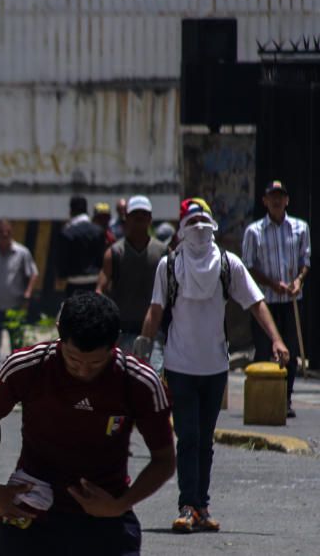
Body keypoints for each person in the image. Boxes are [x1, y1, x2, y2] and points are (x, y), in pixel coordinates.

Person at [0, 292, 176, 555]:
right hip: (33, 513)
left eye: (95, 364)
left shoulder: (139, 382)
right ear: (59, 332)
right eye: (73, 360)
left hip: (106, 515)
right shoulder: (27, 366)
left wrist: (119, 505)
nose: (83, 371)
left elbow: (164, 459)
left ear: (115, 342)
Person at [138, 197, 290, 533]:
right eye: (192, 225)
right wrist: (143, 350)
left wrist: (277, 339)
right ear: (181, 230)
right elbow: (156, 310)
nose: (199, 230)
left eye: (204, 224)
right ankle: (186, 506)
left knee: (204, 439)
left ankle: (201, 506)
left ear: (213, 229)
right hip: (179, 365)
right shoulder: (170, 265)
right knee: (188, 436)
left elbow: (256, 303)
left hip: (214, 367)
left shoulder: (227, 264)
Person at [242, 180, 311, 418]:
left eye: (280, 196)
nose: (277, 200)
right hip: (266, 301)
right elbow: (248, 266)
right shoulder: (254, 232)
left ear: (287, 200)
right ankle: (262, 400)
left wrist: (298, 281)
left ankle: (286, 399)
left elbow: (306, 261)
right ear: (265, 201)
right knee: (264, 350)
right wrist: (272, 284)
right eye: (272, 196)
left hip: (292, 300)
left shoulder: (300, 228)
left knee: (290, 350)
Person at [96, 195, 168, 370]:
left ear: (150, 219)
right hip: (123, 332)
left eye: (144, 214)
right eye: (135, 214)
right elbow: (100, 290)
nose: (140, 218)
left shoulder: (163, 252)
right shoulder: (114, 253)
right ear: (126, 218)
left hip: (154, 334)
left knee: (153, 378)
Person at [0, 220, 39, 377]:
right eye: (1, 232)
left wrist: (28, 293)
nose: (5, 235)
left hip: (15, 307)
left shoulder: (22, 252)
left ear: (12, 232)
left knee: (17, 345)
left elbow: (33, 273)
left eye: (8, 232)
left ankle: (18, 375)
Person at [56, 195, 107, 298]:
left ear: (71, 211)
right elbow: (102, 258)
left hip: (74, 283)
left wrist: (61, 276)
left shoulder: (67, 233)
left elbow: (63, 260)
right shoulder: (98, 231)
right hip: (95, 282)